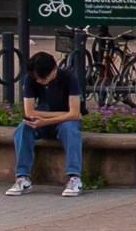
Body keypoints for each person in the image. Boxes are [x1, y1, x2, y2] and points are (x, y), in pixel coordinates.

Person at [9, 46, 87, 198]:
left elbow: (74, 115)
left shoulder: (69, 78)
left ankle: (74, 178)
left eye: (43, 78)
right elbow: (29, 112)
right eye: (36, 78)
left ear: (54, 70)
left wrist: (49, 120)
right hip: (49, 119)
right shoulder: (30, 79)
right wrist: (64, 114)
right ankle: (22, 177)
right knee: (23, 127)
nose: (39, 81)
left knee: (71, 130)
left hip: (64, 123)